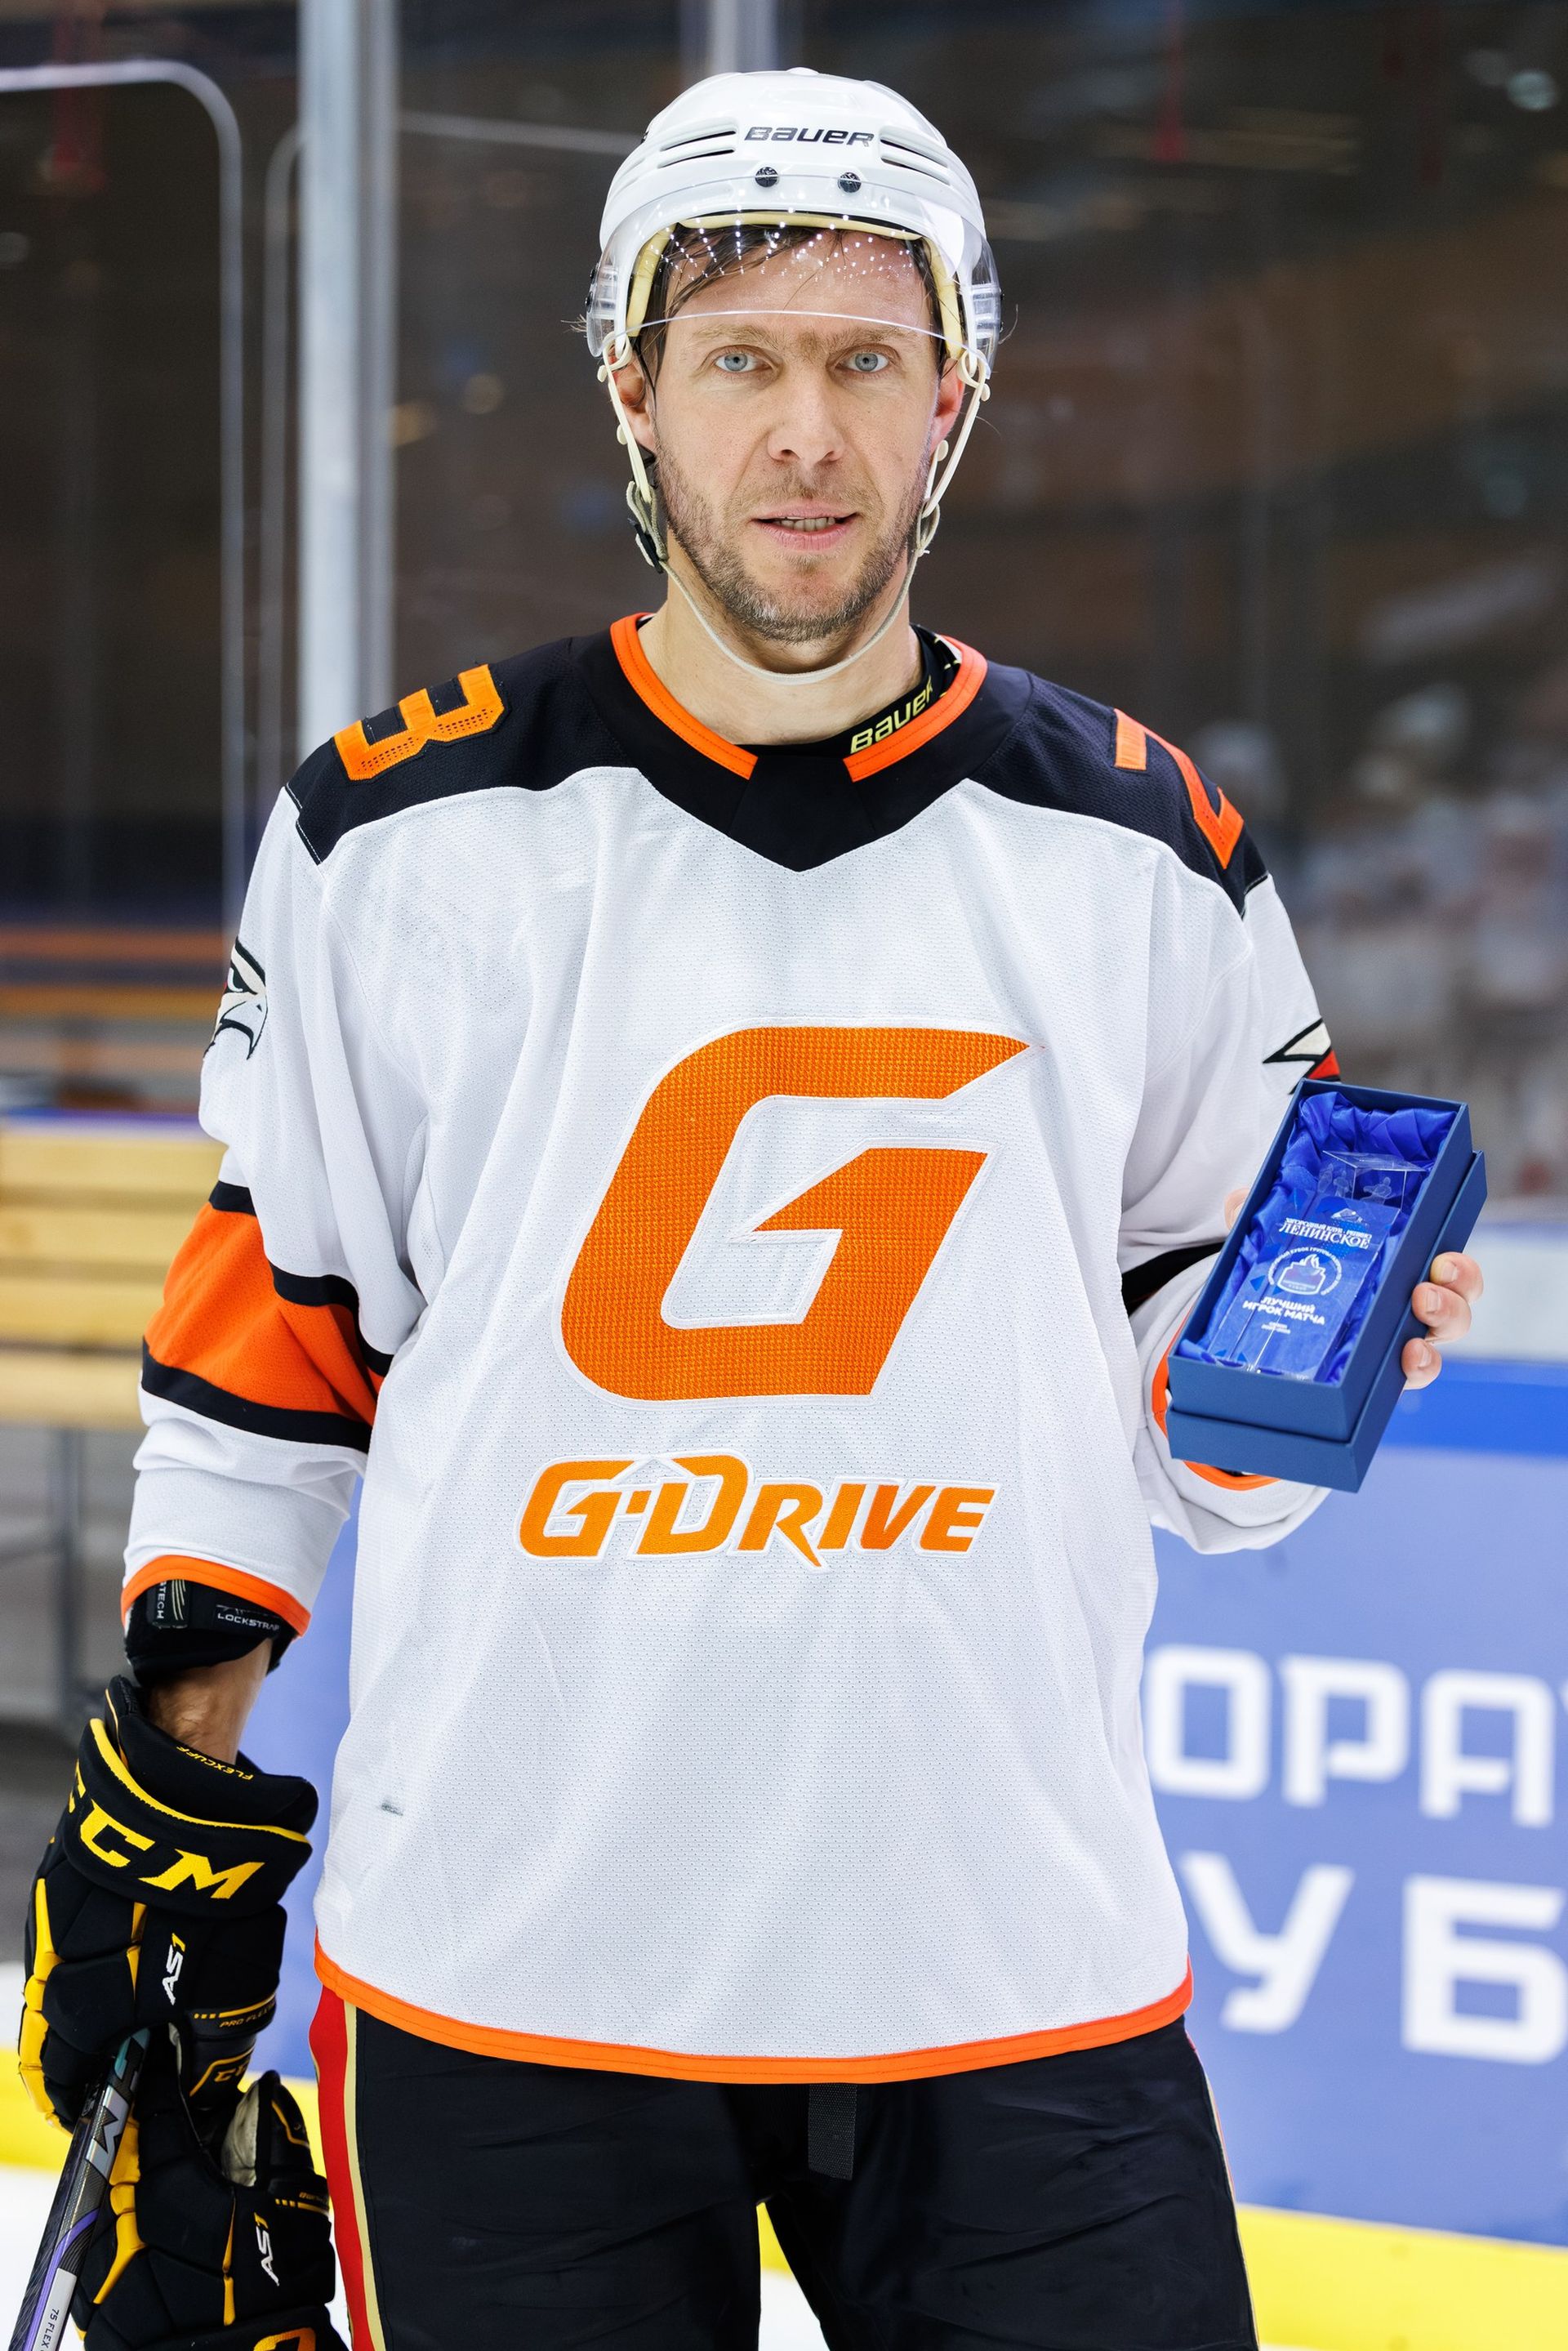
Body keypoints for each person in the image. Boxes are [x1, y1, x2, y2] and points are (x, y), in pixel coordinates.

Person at [20, 67, 1483, 2351]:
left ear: (953, 397)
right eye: (740, 361)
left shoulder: (1149, 851)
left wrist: (1293, 1400)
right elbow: (269, 1360)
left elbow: (1203, 1475)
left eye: (868, 359)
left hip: (1015, 1969)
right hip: (509, 1974)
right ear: (633, 386)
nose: (806, 434)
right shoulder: (392, 835)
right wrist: (173, 1801)